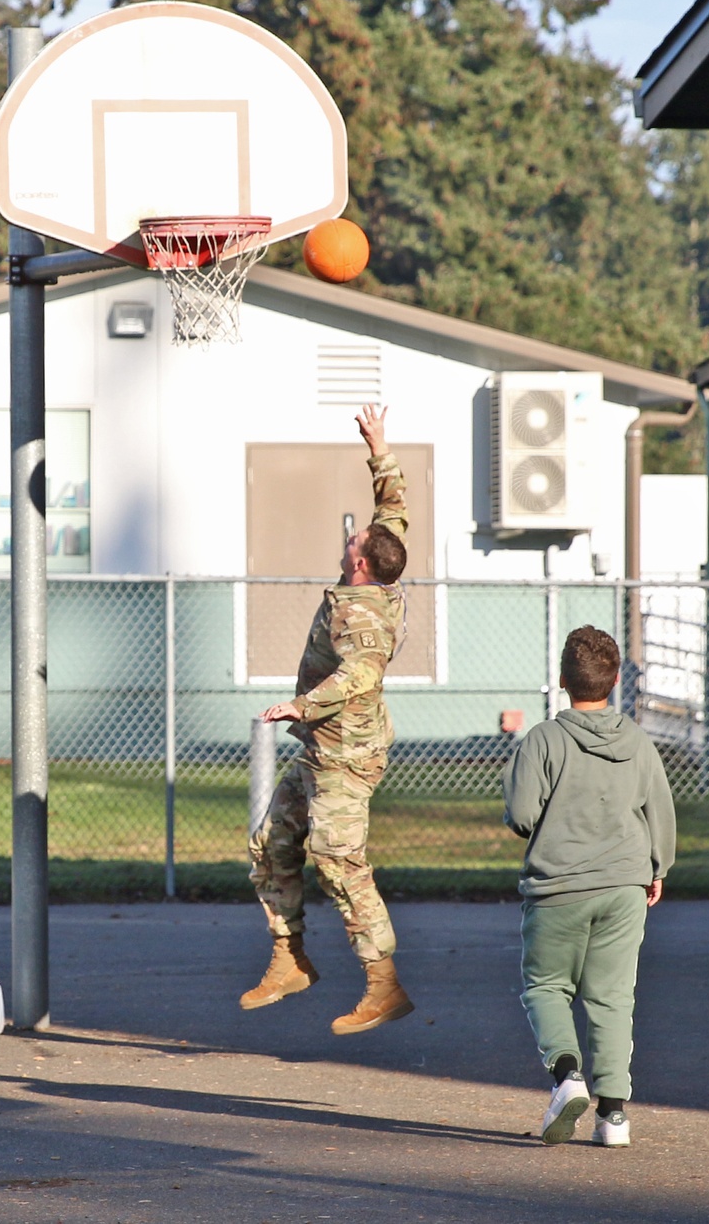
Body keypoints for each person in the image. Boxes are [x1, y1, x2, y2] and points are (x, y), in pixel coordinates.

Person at [240, 404, 414, 1036]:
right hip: (322, 752)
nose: (351, 537)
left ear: (363, 563)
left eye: (355, 541)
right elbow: (393, 507)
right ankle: (289, 960)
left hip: (346, 758)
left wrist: (302, 705)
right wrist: (379, 446)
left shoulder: (363, 617)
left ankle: (383, 986)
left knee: (339, 862)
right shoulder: (385, 556)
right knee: (272, 844)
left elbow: (361, 675)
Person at [502, 625, 676, 1147]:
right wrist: (657, 867)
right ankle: (614, 1117)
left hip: (559, 886)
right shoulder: (639, 742)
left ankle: (566, 1075)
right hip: (625, 884)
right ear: (616, 679)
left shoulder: (544, 740)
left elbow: (521, 814)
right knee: (612, 997)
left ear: (562, 680)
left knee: (547, 986)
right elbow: (659, 811)